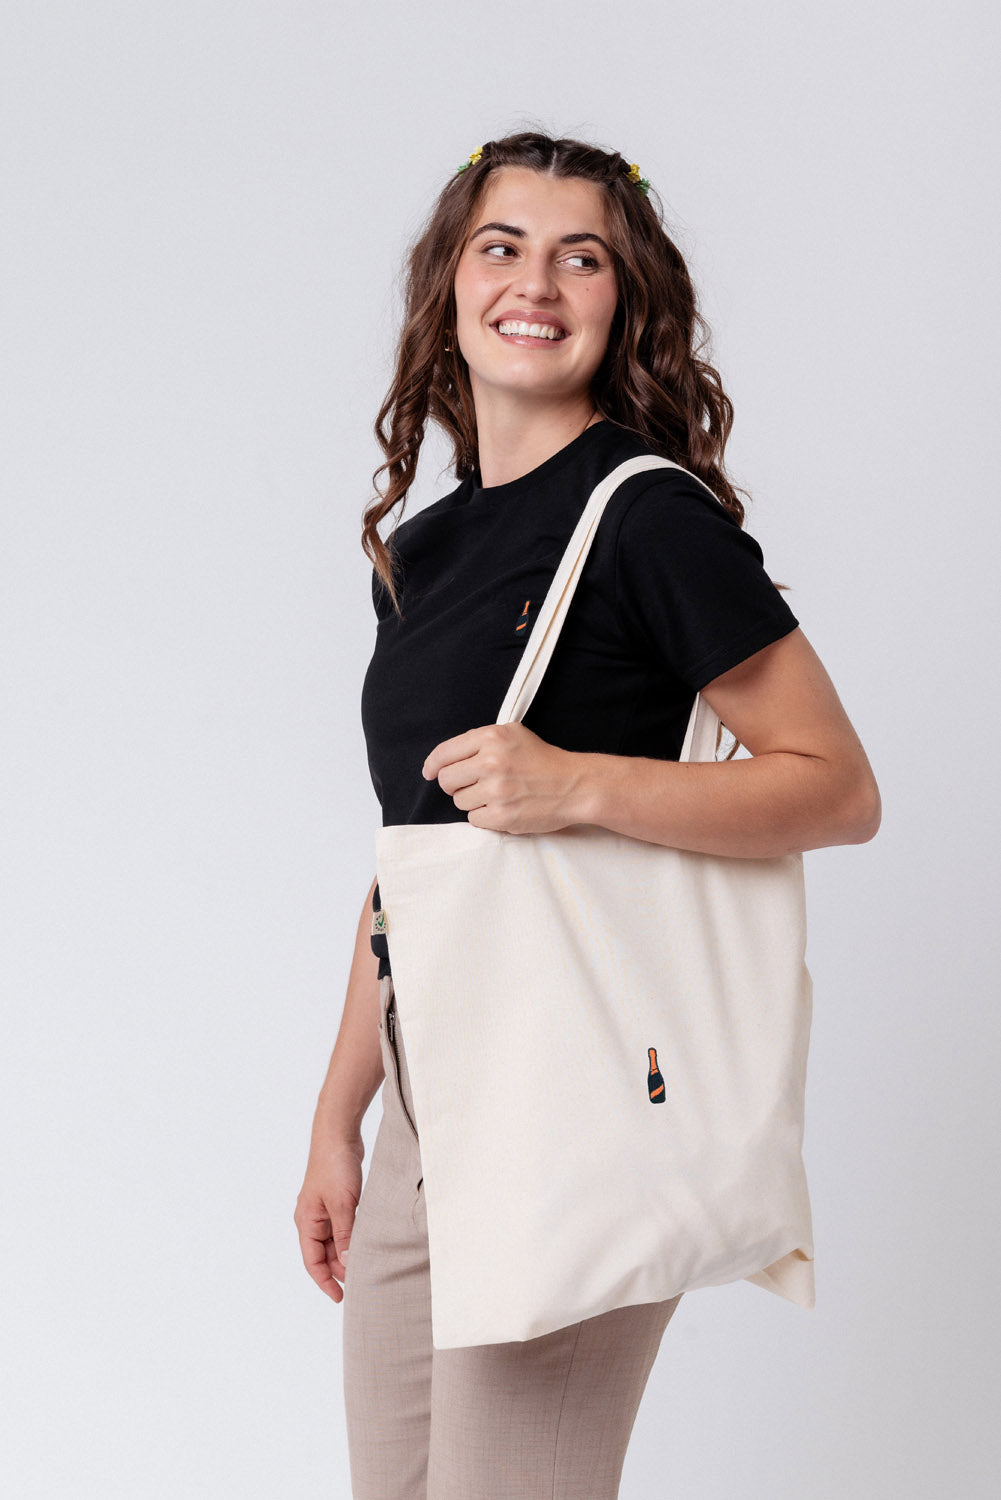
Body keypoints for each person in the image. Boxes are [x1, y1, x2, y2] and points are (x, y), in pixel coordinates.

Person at [294, 130, 881, 1500]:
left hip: (570, 1101)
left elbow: (838, 786)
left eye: (582, 258)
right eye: (502, 247)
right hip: (429, 1105)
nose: (536, 283)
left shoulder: (646, 516)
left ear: (625, 301)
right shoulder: (422, 551)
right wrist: (340, 1113)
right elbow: (412, 863)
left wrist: (577, 784)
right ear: (450, 283)